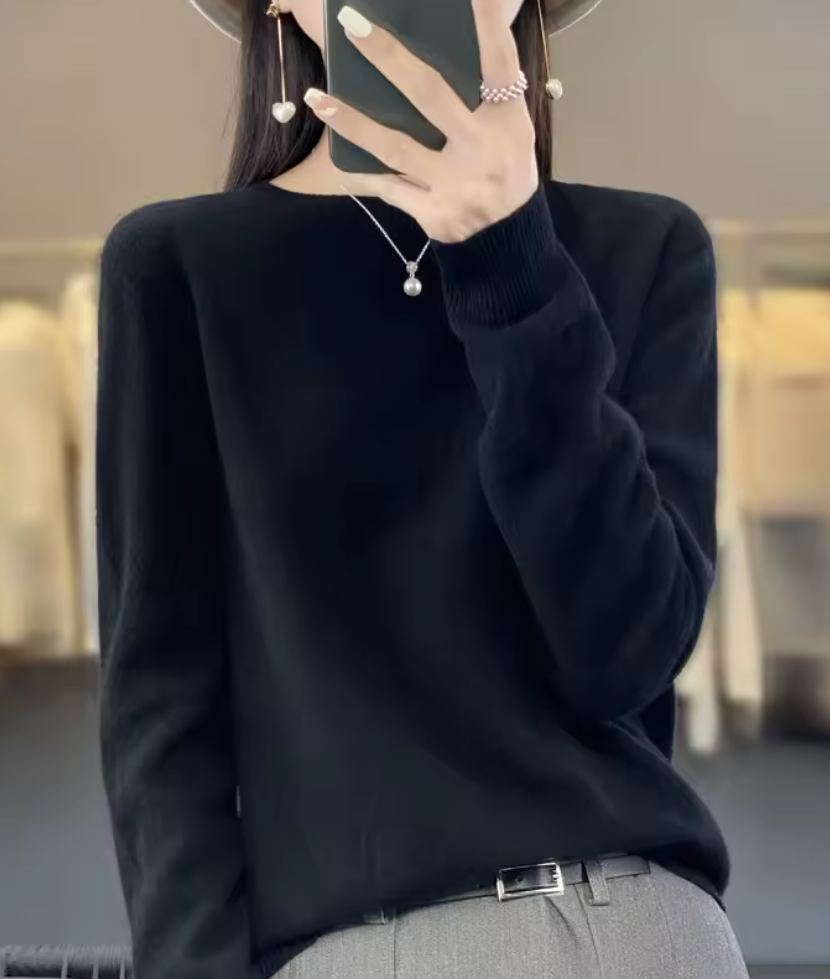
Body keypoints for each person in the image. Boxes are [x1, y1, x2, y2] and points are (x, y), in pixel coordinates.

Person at [96, 0, 749, 977]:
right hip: (364, 947)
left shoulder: (646, 246)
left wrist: (510, 258)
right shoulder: (179, 268)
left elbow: (624, 655)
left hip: (641, 925)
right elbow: (161, 709)